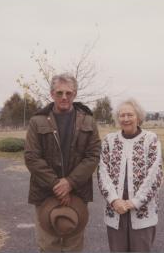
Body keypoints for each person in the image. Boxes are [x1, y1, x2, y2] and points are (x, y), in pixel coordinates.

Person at [24, 73, 101, 252]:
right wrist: (57, 184)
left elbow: (93, 156)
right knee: (48, 245)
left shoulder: (89, 121)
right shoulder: (37, 121)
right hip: (45, 192)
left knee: (73, 246)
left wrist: (70, 182)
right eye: (59, 93)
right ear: (52, 94)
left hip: (77, 192)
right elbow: (31, 157)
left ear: (74, 94)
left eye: (68, 93)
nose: (64, 97)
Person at [97, 98, 164, 252]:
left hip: (141, 210)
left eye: (130, 115)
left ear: (138, 117)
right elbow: (102, 173)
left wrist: (135, 202)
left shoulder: (150, 139)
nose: (125, 119)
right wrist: (114, 200)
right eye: (122, 115)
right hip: (116, 210)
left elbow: (156, 174)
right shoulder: (109, 141)